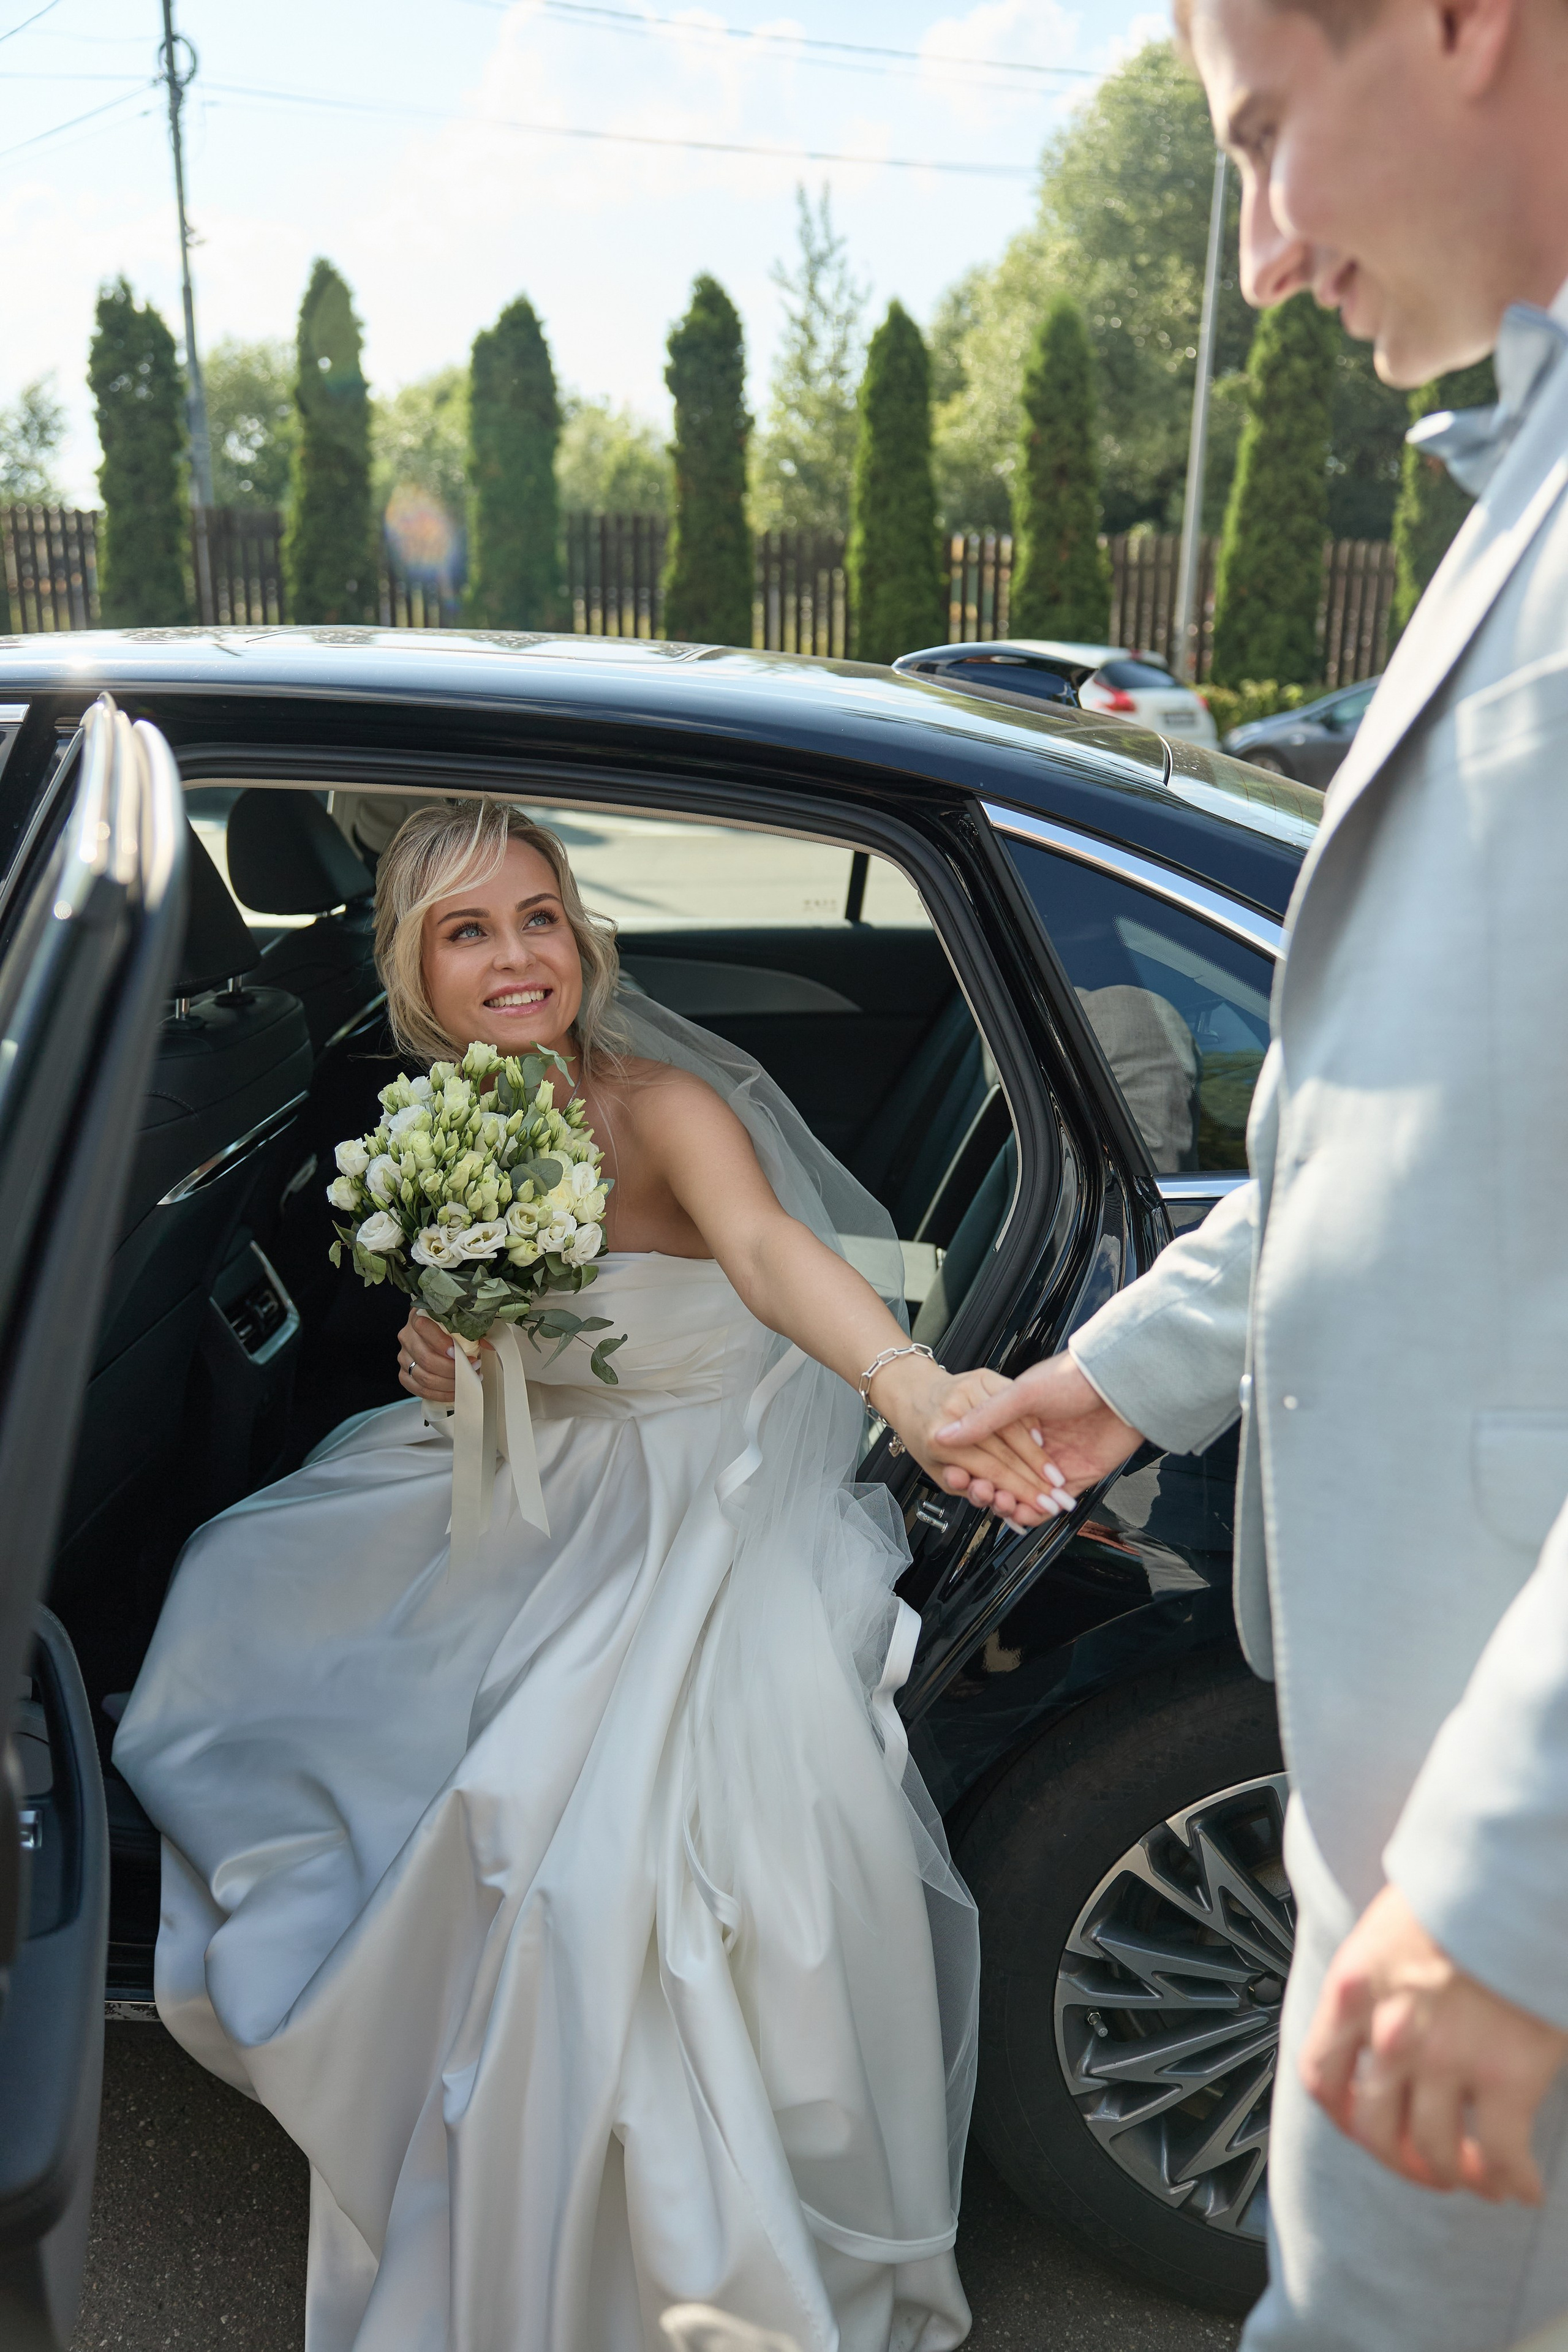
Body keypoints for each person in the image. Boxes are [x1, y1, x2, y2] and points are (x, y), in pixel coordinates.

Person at [938, 0, 1568, 2341]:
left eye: (1267, 137)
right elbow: (1439, 1117)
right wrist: (1136, 1373)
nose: (1267, 252)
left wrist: (1518, 1881)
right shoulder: (1525, 492)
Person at [115, 802, 1033, 2352]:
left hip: (687, 1473)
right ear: (411, 963)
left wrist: (908, 1387)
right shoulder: (441, 1118)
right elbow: (484, 1339)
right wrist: (441, 1350)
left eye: (538, 916)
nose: (516, 956)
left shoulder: (660, 1102)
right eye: (468, 931)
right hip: (534, 1456)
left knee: (568, 1836)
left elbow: (754, 1252)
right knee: (245, 1580)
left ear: (580, 932)